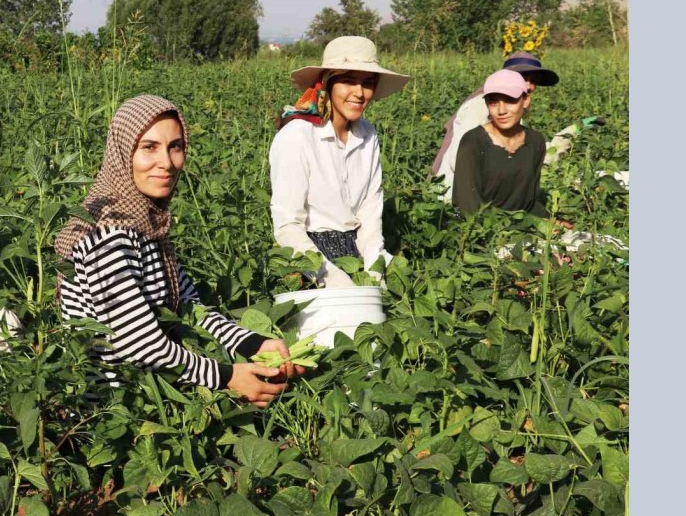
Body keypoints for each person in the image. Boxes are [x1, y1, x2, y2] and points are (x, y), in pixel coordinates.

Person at [54, 95, 303, 408]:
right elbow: (139, 343)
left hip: (156, 389)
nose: (167, 163)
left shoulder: (145, 221)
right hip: (112, 409)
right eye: (149, 147)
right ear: (121, 152)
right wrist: (227, 376)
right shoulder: (108, 234)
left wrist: (253, 343)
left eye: (175, 146)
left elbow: (190, 307)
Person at [268, 36, 410, 287]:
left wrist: (374, 269)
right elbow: (288, 226)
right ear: (328, 84)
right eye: (348, 81)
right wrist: (330, 277)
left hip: (354, 250)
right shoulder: (298, 136)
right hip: (307, 256)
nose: (359, 93)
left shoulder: (368, 135)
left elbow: (370, 213)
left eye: (367, 83)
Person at [431, 51, 559, 201]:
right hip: (453, 197)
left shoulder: (512, 111)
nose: (529, 85)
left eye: (534, 80)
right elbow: (458, 161)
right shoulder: (478, 107)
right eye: (524, 78)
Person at [451, 69, 548, 217]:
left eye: (510, 100)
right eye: (493, 102)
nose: (501, 111)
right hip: (480, 231)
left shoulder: (535, 142)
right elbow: (468, 207)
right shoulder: (473, 141)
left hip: (521, 227)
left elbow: (530, 202)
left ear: (526, 100)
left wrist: (549, 221)